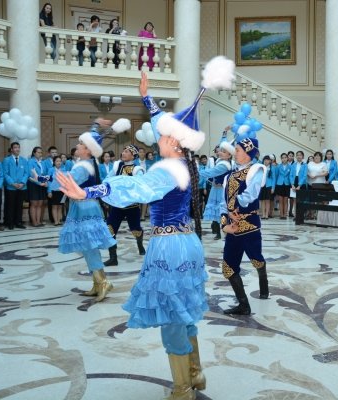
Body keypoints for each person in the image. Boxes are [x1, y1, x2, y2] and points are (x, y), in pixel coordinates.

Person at [57, 70, 213, 400]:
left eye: (163, 134)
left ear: (174, 140)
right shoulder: (184, 163)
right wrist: (147, 99)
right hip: (186, 241)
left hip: (169, 247)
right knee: (183, 311)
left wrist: (90, 192)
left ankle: (182, 389)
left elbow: (136, 187)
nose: (157, 136)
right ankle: (195, 373)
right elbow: (160, 126)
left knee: (172, 317)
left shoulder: (167, 169)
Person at [56, 119, 117, 302]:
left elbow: (66, 181)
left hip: (85, 208)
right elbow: (94, 139)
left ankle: (102, 282)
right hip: (83, 207)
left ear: (88, 150)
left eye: (81, 144)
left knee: (89, 245)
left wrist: (45, 178)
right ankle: (98, 282)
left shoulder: (84, 166)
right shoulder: (86, 162)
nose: (77, 145)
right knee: (87, 245)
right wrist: (96, 125)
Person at [220, 122, 268, 316]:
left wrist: (235, 210)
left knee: (256, 259)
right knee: (228, 267)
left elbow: (251, 194)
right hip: (232, 227)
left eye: (238, 150)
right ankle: (244, 305)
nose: (235, 152)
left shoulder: (256, 170)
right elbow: (223, 202)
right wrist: (225, 223)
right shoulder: (229, 175)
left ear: (248, 153)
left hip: (249, 225)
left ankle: (263, 283)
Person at [102, 144, 146, 267]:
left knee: (136, 229)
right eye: (123, 151)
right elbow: (107, 179)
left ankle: (140, 244)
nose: (123, 153)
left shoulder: (137, 170)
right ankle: (113, 258)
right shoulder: (117, 166)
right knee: (110, 228)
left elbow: (139, 184)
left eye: (127, 152)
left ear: (133, 155)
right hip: (117, 205)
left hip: (132, 206)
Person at [201, 131, 234, 239]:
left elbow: (211, 173)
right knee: (217, 212)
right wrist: (224, 134)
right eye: (220, 150)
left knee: (222, 212)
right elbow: (223, 144)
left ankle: (224, 232)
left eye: (223, 151)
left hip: (222, 191)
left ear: (229, 155)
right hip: (216, 189)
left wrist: (194, 172)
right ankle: (218, 230)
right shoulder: (221, 160)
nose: (220, 152)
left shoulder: (224, 165)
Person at [3, 142, 28, 230]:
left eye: (18, 147)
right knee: (10, 205)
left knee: (19, 205)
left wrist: (22, 182)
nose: (17, 149)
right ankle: (10, 222)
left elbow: (26, 173)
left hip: (21, 186)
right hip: (11, 187)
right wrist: (12, 183)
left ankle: (18, 222)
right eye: (15, 147)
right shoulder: (7, 160)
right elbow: (5, 174)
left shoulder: (24, 160)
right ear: (11, 149)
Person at [27, 146, 48, 227]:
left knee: (40, 204)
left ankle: (39, 221)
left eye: (41, 152)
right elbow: (31, 175)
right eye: (38, 152)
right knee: (34, 204)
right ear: (34, 153)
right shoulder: (30, 162)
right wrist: (39, 183)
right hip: (33, 184)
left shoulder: (43, 162)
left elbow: (45, 173)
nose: (40, 154)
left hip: (42, 184)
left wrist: (45, 181)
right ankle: (34, 222)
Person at [289, 150, 307, 218]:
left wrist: (299, 185)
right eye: (297, 155)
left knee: (301, 200)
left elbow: (304, 176)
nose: (299, 156)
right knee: (295, 200)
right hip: (294, 182)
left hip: (302, 183)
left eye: (300, 155)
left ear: (303, 156)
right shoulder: (293, 164)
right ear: (296, 157)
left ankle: (301, 215)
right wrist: (292, 184)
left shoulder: (305, 165)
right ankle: (296, 215)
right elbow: (290, 175)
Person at [272, 153, 291, 219]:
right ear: (281, 159)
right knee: (280, 200)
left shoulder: (290, 166)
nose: (284, 159)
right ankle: (281, 214)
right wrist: (275, 185)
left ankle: (285, 214)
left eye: (285, 157)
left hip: (287, 184)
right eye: (282, 158)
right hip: (279, 184)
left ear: (287, 158)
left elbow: (290, 176)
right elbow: (276, 176)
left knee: (285, 200)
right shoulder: (278, 166)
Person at [47, 155, 64, 226]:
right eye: (57, 161)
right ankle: (55, 221)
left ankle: (59, 220)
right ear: (54, 162)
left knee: (60, 206)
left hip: (61, 190)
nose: (59, 162)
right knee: (54, 206)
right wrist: (49, 191)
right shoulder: (51, 170)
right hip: (53, 190)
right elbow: (49, 181)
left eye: (60, 161)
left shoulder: (64, 170)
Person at [259, 155, 275, 219]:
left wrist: (273, 188)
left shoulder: (272, 168)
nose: (266, 161)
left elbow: (274, 179)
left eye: (267, 160)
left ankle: (266, 214)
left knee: (267, 200)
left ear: (270, 161)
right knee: (262, 200)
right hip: (262, 185)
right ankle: (263, 214)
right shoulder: (261, 168)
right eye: (265, 160)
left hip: (269, 186)